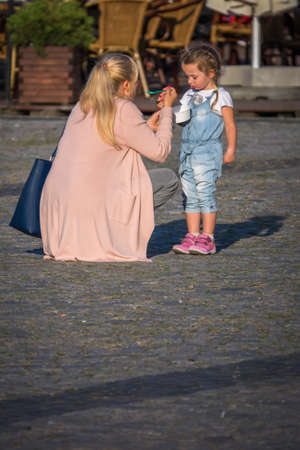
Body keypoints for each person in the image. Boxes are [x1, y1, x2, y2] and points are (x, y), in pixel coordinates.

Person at [40, 53, 178, 262]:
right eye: (135, 81)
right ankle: (113, 232)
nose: (137, 86)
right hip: (92, 203)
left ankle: (99, 229)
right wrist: (168, 110)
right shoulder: (124, 108)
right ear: (125, 85)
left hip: (59, 212)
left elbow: (106, 140)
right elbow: (160, 152)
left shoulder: (82, 105)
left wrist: (146, 128)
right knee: (169, 179)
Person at [168, 44, 236, 255]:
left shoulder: (220, 96)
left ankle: (208, 237)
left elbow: (230, 124)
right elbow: (181, 119)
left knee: (205, 193)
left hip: (207, 152)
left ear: (211, 73)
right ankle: (192, 235)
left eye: (194, 76)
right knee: (189, 194)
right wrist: (167, 108)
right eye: (187, 77)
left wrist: (231, 149)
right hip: (187, 152)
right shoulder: (189, 94)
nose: (190, 81)